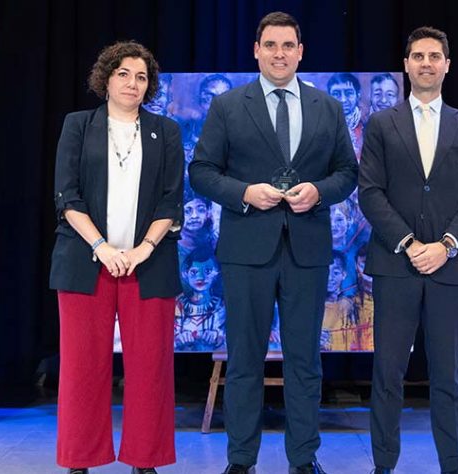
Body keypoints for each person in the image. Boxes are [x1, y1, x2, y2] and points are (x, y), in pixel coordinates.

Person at [189, 11, 358, 474]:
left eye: (287, 46)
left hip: (307, 251)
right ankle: (241, 460)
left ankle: (303, 459)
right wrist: (244, 192)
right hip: (246, 251)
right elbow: (201, 171)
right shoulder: (228, 106)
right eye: (270, 45)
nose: (279, 54)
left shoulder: (328, 107)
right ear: (256, 51)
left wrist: (319, 191)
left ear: (301, 52)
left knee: (305, 362)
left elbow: (348, 172)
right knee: (244, 361)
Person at [358, 26, 458, 474]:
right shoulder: (382, 124)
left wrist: (447, 245)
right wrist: (411, 244)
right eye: (418, 56)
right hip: (395, 264)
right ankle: (383, 466)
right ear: (406, 64)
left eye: (435, 56)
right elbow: (370, 192)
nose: (426, 63)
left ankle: (454, 465)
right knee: (387, 374)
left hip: (450, 268)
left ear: (447, 65)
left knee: (448, 377)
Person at [49, 41, 184, 474]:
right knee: (82, 368)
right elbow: (67, 195)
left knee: (150, 369)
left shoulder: (166, 131)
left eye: (141, 77)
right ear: (106, 78)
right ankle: (80, 461)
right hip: (86, 261)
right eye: (123, 73)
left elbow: (171, 201)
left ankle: (146, 460)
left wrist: (143, 250)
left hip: (149, 264)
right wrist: (102, 248)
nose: (132, 83)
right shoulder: (78, 125)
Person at [175, 248, 226, 351]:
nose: (200, 277)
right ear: (186, 274)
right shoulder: (179, 305)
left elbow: (231, 339)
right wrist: (178, 339)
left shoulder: (220, 306)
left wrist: (217, 336)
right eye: (194, 272)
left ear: (216, 273)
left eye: (208, 271)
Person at [327, 72, 365, 160]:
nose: (343, 99)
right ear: (329, 96)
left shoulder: (368, 124)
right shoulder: (321, 126)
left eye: (348, 93)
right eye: (336, 94)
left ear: (358, 95)